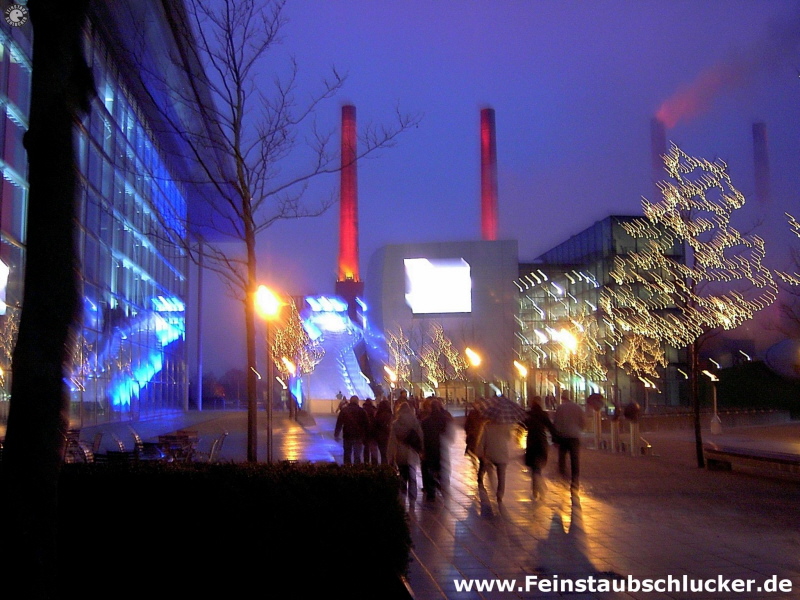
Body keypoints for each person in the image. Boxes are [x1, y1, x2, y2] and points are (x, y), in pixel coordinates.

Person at [476, 395, 526, 503]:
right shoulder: (505, 426)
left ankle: (488, 485)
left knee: (489, 471)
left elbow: (482, 441)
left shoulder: (487, 426)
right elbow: (508, 438)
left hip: (489, 453)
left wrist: (481, 453)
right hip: (502, 454)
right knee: (501, 476)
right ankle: (500, 494)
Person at [388, 400, 423, 503]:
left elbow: (392, 441)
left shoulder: (395, 424)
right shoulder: (415, 422)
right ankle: (413, 496)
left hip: (400, 452)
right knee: (412, 473)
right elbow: (420, 437)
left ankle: (402, 494)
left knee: (402, 473)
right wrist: (421, 449)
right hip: (412, 452)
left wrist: (390, 456)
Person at [524, 395, 558, 499]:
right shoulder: (543, 414)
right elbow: (550, 427)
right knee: (537, 467)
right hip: (541, 442)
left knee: (534, 468)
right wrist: (555, 439)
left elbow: (524, 425)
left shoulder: (528, 414)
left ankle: (537, 489)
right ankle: (539, 488)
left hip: (531, 442)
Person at [420, 398, 454, 501]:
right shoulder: (444, 419)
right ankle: (442, 485)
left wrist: (422, 449)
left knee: (430, 469)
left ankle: (431, 492)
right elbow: (449, 434)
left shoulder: (425, 421)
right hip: (441, 447)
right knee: (441, 468)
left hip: (429, 447)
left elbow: (422, 436)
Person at [553, 391, 586, 490]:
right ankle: (575, 480)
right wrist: (578, 430)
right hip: (575, 436)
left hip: (563, 436)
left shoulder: (560, 408)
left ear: (563, 398)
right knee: (575, 459)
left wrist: (556, 438)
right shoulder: (578, 408)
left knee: (562, 457)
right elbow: (583, 422)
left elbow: (557, 423)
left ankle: (563, 475)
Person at [334, 395, 369, 465]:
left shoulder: (344, 410)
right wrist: (366, 436)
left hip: (347, 435)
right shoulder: (362, 411)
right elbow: (366, 424)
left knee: (347, 454)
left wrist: (336, 434)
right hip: (358, 436)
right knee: (357, 455)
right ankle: (357, 470)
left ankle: (347, 469)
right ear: (357, 402)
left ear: (350, 401)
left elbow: (339, 423)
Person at [374, 399, 393, 465]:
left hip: (380, 438)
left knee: (383, 454)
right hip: (388, 437)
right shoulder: (390, 415)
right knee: (389, 455)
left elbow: (375, 426)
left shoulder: (377, 415)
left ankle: (384, 467)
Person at [362, 397, 379, 465]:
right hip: (373, 432)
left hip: (365, 432)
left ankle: (366, 463)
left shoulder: (363, 410)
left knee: (366, 448)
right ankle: (374, 464)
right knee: (374, 449)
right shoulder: (374, 410)